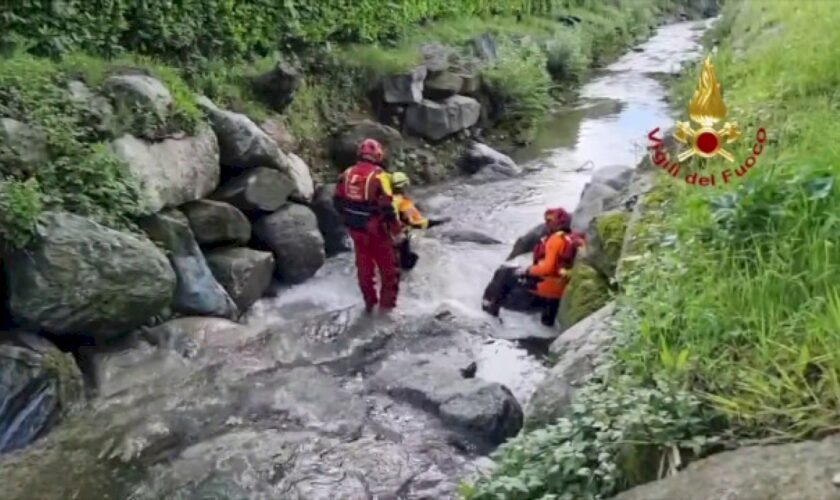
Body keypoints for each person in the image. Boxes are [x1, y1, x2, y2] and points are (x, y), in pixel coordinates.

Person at [482, 207, 585, 327]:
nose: (547, 224)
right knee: (548, 317)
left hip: (547, 286)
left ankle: (489, 312)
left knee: (503, 273)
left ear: (557, 224)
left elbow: (548, 268)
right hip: (561, 287)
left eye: (550, 221)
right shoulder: (573, 239)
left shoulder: (555, 240)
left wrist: (528, 270)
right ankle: (547, 326)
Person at [333, 138, 402, 313]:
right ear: (378, 155)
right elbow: (387, 207)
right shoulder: (380, 176)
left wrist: (347, 221)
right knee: (389, 272)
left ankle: (369, 304)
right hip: (378, 232)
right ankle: (386, 309)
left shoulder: (346, 174)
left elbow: (337, 201)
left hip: (356, 231)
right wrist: (397, 232)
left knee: (365, 270)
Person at [390, 171, 450, 270]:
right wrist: (439, 222)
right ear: (405, 186)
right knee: (407, 262)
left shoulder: (382, 198)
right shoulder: (404, 203)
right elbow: (417, 222)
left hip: (381, 235)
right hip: (398, 236)